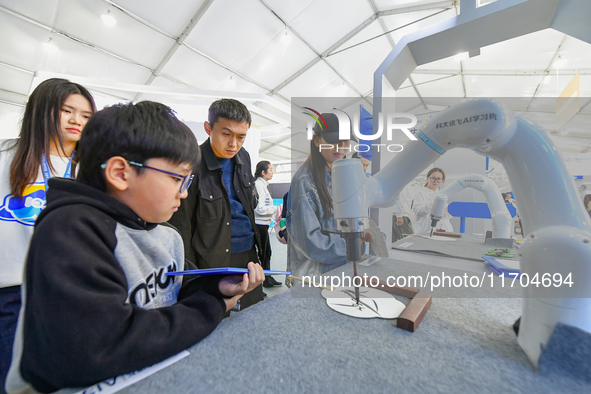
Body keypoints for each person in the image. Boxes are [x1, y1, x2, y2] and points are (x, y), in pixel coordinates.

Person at [6, 101, 264, 393]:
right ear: (120, 173)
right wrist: (212, 306)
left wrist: (217, 287)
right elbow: (96, 348)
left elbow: (184, 285)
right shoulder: (70, 231)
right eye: (177, 178)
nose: (186, 192)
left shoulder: (165, 236)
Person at [0, 78, 96, 393]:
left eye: (85, 115)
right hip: (11, 292)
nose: (76, 121)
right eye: (67, 111)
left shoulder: (91, 170)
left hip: (68, 292)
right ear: (42, 110)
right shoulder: (6, 155)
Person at [169, 99, 264, 310]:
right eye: (226, 134)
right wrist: (191, 277)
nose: (234, 144)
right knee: (216, 319)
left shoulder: (244, 157)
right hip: (211, 260)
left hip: (248, 254)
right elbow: (182, 226)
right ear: (208, 128)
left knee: (254, 314)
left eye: (241, 137)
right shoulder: (192, 161)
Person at [287, 112, 367, 283]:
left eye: (346, 141)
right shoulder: (305, 181)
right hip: (314, 276)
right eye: (333, 141)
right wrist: (352, 244)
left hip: (340, 269)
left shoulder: (342, 175)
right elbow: (310, 243)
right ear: (317, 140)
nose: (341, 147)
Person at [254, 160, 281, 288]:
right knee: (263, 253)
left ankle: (267, 278)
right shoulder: (259, 185)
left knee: (267, 253)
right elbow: (259, 209)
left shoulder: (263, 185)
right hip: (259, 225)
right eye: (270, 169)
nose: (272, 172)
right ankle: (262, 281)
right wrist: (277, 209)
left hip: (263, 224)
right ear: (263, 172)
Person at [412, 167, 453, 233]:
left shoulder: (441, 194)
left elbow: (445, 214)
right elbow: (418, 211)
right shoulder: (420, 193)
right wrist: (432, 205)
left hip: (441, 229)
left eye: (439, 179)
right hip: (424, 229)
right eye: (433, 178)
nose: (436, 181)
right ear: (428, 179)